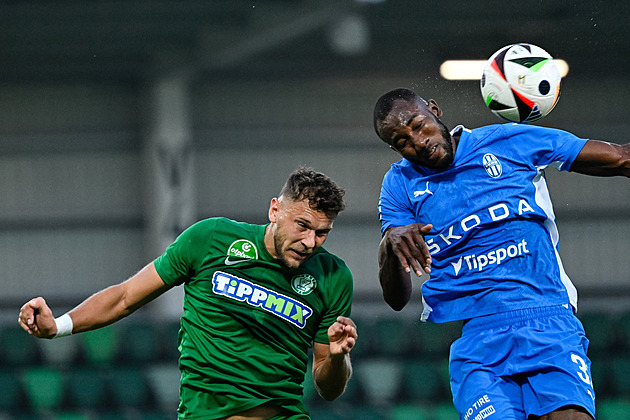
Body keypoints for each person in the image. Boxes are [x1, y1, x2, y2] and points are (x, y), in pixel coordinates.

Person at [18, 167, 357, 420]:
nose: (310, 242)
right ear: (275, 210)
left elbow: (329, 388)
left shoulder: (333, 276)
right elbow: (124, 298)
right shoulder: (210, 239)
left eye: (322, 233)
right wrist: (58, 326)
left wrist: (339, 357)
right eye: (302, 226)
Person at [373, 87, 629, 420]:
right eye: (401, 142)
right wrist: (389, 245)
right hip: (478, 344)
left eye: (419, 125)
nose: (417, 142)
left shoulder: (506, 141)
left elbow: (621, 158)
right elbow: (396, 299)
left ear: (434, 109)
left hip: (548, 320)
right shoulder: (400, 184)